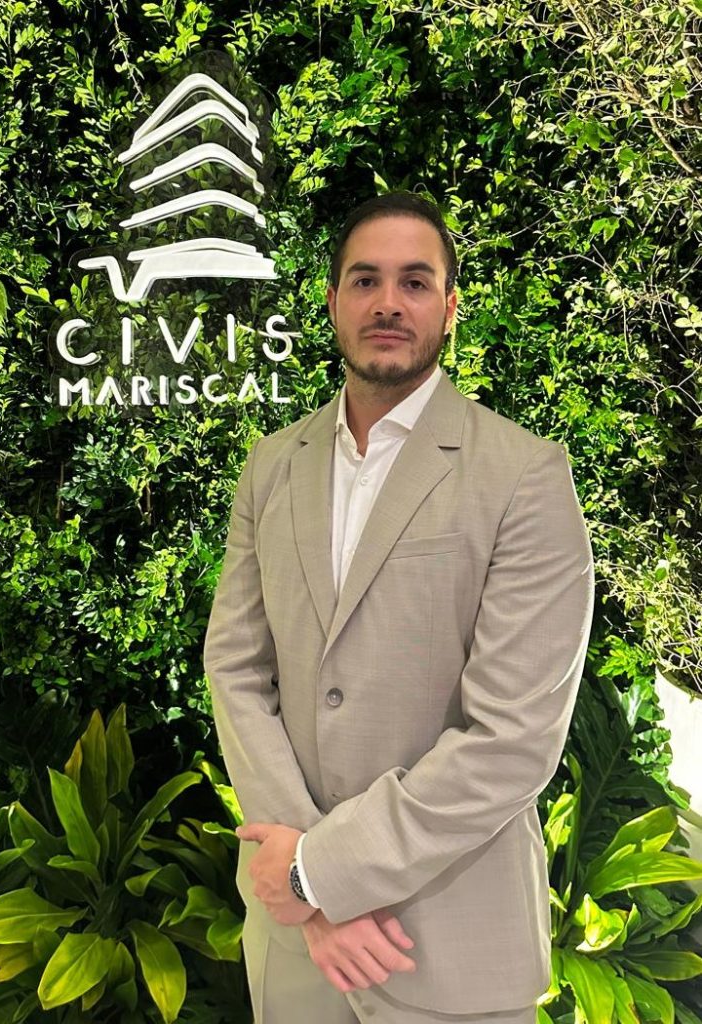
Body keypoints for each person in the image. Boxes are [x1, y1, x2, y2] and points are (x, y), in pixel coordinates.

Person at [203, 192, 595, 1024]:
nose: (388, 302)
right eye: (365, 280)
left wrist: (320, 873)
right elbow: (234, 668)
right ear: (332, 302)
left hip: (450, 947)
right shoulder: (270, 466)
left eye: (415, 282)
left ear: (450, 308)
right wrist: (303, 888)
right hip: (294, 948)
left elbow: (512, 738)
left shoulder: (525, 475)